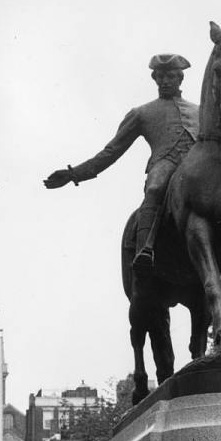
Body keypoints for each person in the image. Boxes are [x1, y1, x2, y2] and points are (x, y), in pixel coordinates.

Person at [44, 53, 199, 275]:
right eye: (161, 77)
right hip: (165, 164)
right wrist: (73, 174)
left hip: (196, 168)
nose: (165, 81)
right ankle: (146, 248)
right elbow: (111, 151)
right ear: (155, 79)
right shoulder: (141, 113)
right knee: (155, 187)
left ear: (180, 78)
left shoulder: (199, 111)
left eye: (171, 76)